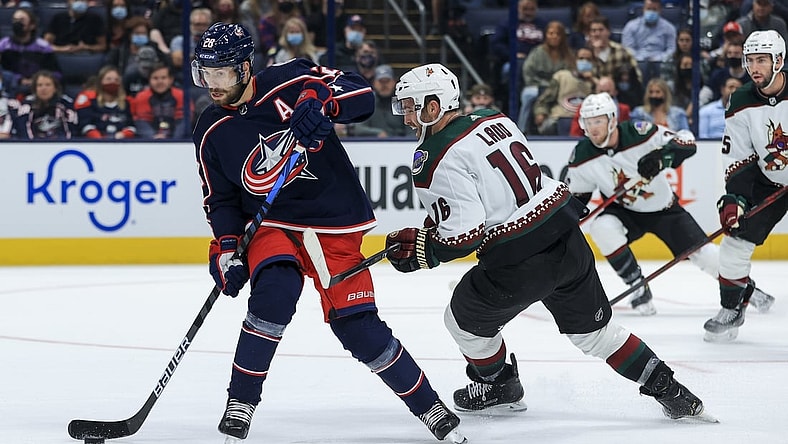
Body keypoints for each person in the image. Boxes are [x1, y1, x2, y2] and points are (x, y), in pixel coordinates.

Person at [385, 63, 712, 425]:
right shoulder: (495, 118)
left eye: (412, 107)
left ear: (434, 107)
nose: (407, 117)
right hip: (566, 237)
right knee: (598, 336)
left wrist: (423, 252)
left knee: (460, 321)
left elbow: (464, 235)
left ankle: (499, 387)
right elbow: (497, 191)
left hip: (518, 262)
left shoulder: (432, 159)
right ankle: (673, 392)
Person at [189, 23, 466, 443]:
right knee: (275, 291)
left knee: (358, 326)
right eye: (204, 74)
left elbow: (363, 95)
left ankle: (429, 406)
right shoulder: (210, 128)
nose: (212, 84)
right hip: (270, 225)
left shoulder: (292, 77)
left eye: (221, 73)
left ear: (245, 68)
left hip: (333, 220)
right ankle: (240, 403)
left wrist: (323, 103)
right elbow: (221, 200)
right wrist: (227, 248)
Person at [567, 92, 773, 316]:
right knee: (601, 228)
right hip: (624, 211)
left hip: (665, 210)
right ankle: (637, 286)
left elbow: (686, 141)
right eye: (588, 122)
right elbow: (578, 199)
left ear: (612, 119)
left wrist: (661, 158)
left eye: (598, 121)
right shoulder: (582, 155)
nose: (593, 127)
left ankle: (748, 289)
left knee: (706, 256)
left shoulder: (639, 132)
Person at [703, 30, 788, 342]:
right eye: (750, 60)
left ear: (778, 61)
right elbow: (738, 156)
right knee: (735, 241)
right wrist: (734, 200)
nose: (755, 67)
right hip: (770, 181)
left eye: (762, 60)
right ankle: (731, 308)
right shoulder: (740, 101)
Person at [532, 46, 596, 135]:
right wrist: (540, 113)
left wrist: (593, 81)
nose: (584, 62)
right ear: (575, 60)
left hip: (584, 121)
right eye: (581, 58)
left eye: (588, 59)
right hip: (559, 118)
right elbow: (543, 101)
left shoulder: (594, 82)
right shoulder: (561, 76)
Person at [0, 8, 61, 98]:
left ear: (32, 25)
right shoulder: (4, 44)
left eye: (22, 20)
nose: (17, 23)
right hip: (10, 86)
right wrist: (18, 79)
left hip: (37, 87)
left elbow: (55, 73)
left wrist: (36, 80)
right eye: (15, 20)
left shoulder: (43, 46)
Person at [621, 0, 677, 85]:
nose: (651, 12)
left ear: (660, 10)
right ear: (643, 9)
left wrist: (660, 58)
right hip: (638, 60)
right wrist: (640, 58)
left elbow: (672, 48)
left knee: (662, 66)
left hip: (661, 61)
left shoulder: (669, 28)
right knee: (641, 66)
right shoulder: (631, 26)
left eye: (654, 9)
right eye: (648, 9)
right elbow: (627, 48)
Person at [11, 70, 78, 139]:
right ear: (35, 89)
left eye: (48, 85)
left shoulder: (66, 104)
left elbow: (71, 131)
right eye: (40, 85)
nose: (43, 88)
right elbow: (23, 130)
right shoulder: (26, 105)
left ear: (55, 88)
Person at [74, 65, 135, 139]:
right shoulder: (90, 101)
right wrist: (100, 139)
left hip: (121, 142)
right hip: (95, 142)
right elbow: (85, 125)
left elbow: (131, 126)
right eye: (108, 79)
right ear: (100, 82)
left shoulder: (126, 103)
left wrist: (123, 135)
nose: (113, 82)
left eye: (116, 80)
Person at [132, 63, 187, 139]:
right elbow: (142, 122)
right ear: (149, 80)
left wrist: (175, 140)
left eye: (163, 78)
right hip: (149, 142)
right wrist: (154, 138)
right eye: (155, 78)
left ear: (171, 79)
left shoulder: (181, 96)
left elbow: (183, 122)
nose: (159, 81)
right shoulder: (142, 97)